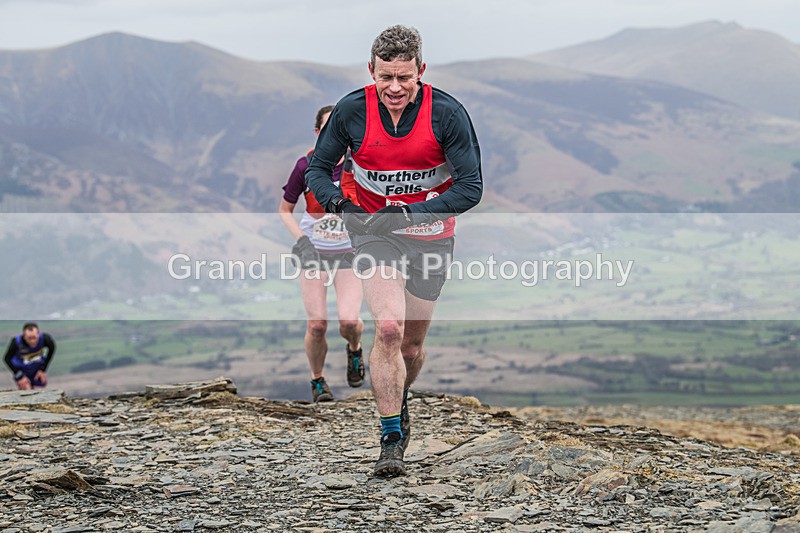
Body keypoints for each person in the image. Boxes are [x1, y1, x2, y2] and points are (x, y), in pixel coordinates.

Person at [305, 25, 482, 477]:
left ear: (420, 71)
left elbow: (471, 187)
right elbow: (318, 170)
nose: (395, 88)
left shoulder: (447, 114)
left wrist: (410, 213)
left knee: (411, 345)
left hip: (431, 234)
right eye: (386, 77)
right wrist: (340, 206)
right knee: (386, 328)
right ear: (372, 70)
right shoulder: (350, 110)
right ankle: (391, 438)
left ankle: (399, 396)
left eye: (405, 77)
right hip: (371, 230)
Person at [279, 105, 365, 403]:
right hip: (313, 250)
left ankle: (354, 349)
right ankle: (318, 381)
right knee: (316, 324)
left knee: (349, 322)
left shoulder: (360, 167)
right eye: (327, 129)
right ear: (317, 133)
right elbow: (285, 210)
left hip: (349, 252)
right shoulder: (305, 166)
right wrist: (302, 240)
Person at [4, 322, 57, 390]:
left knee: (39, 391)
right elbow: (6, 359)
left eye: (34, 338)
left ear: (38, 334)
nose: (32, 341)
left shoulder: (45, 339)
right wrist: (19, 375)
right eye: (29, 338)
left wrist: (43, 369)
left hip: (37, 368)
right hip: (22, 370)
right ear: (24, 336)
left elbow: (52, 349)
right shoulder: (16, 342)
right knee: (27, 391)